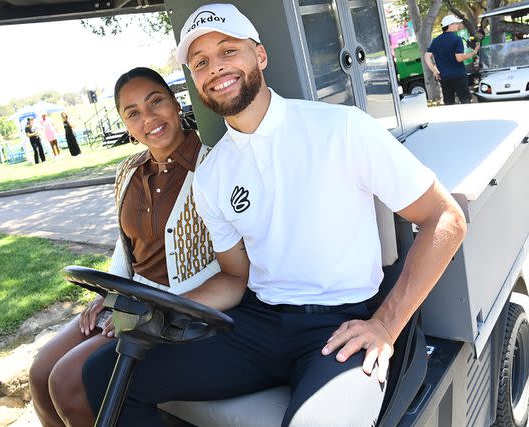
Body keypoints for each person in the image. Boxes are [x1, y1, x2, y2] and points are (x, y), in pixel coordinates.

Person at [82, 3, 467, 426]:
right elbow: (234, 277)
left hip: (338, 322)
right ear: (195, 80)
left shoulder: (341, 128)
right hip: (258, 322)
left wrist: (386, 325)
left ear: (260, 56)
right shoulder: (212, 173)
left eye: (228, 51)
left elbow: (445, 218)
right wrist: (163, 306)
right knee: (102, 375)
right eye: (201, 62)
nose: (216, 68)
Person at [29, 67, 223, 427]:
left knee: (67, 382)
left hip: (177, 308)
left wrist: (144, 307)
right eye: (132, 112)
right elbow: (128, 247)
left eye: (155, 102)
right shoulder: (129, 171)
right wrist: (109, 294)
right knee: (41, 372)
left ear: (176, 103)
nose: (148, 118)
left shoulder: (213, 165)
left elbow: (224, 262)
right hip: (130, 297)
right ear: (125, 124)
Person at [424, 15, 480, 105]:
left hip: (444, 77)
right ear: (450, 25)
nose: (458, 25)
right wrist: (474, 52)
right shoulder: (457, 39)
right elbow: (459, 58)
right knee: (465, 101)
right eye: (456, 23)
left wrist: (434, 71)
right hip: (459, 76)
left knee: (449, 103)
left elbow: (427, 56)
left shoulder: (435, 41)